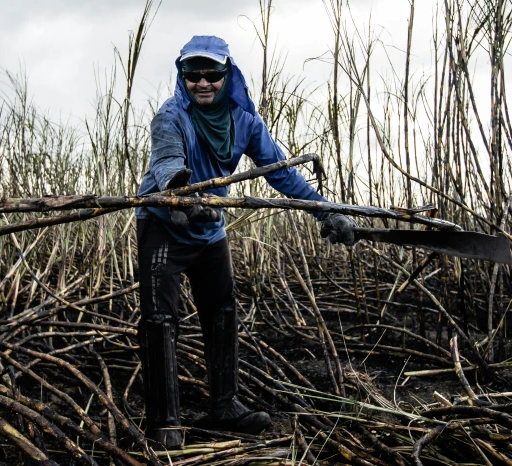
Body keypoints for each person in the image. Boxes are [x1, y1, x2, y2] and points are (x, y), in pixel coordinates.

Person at [136, 35, 357, 449]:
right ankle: (165, 422)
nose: (202, 83)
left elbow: (282, 173)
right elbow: (168, 165)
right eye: (192, 75)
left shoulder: (245, 120)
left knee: (221, 309)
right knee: (160, 319)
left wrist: (326, 210)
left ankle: (225, 405)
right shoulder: (170, 117)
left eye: (212, 75)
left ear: (227, 75)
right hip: (162, 223)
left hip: (208, 227)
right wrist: (181, 195)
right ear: (181, 77)